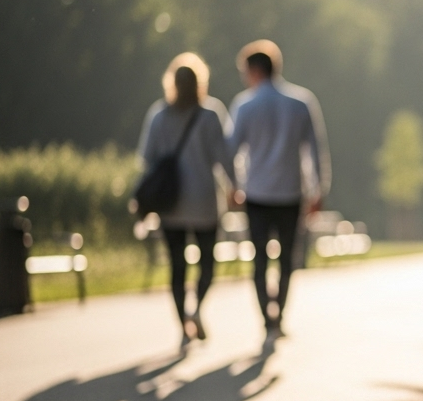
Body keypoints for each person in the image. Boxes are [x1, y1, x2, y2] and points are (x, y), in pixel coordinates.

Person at [227, 47, 329, 336]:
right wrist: (319, 189)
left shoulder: (244, 105)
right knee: (286, 260)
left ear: (255, 70)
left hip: (256, 194)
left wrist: (233, 185)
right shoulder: (301, 102)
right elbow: (315, 150)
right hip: (290, 193)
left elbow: (230, 151)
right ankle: (279, 313)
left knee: (259, 259)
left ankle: (265, 316)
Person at [137, 53, 236, 346]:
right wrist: (235, 187)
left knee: (177, 267)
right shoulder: (210, 113)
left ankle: (183, 324)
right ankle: (195, 310)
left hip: (170, 204)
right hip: (204, 201)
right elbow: (224, 158)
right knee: (207, 264)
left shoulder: (159, 115)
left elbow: (146, 158)